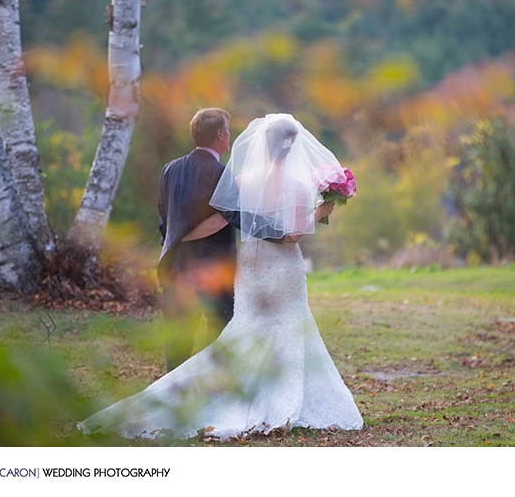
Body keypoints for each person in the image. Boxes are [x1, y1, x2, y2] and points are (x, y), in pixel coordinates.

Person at [78, 113, 363, 441]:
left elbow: (212, 217)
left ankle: (209, 392)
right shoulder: (300, 186)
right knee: (287, 325)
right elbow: (293, 234)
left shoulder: (239, 180)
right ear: (294, 146)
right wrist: (322, 211)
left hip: (251, 264)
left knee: (246, 329)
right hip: (282, 262)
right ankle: (275, 397)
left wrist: (175, 238)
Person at [156, 107, 237, 372]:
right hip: (213, 273)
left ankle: (172, 401)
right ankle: (214, 399)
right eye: (227, 130)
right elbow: (232, 218)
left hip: (175, 267)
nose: (230, 134)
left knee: (177, 345)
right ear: (220, 135)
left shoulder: (169, 169)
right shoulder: (221, 173)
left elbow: (163, 221)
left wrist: (177, 242)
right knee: (219, 341)